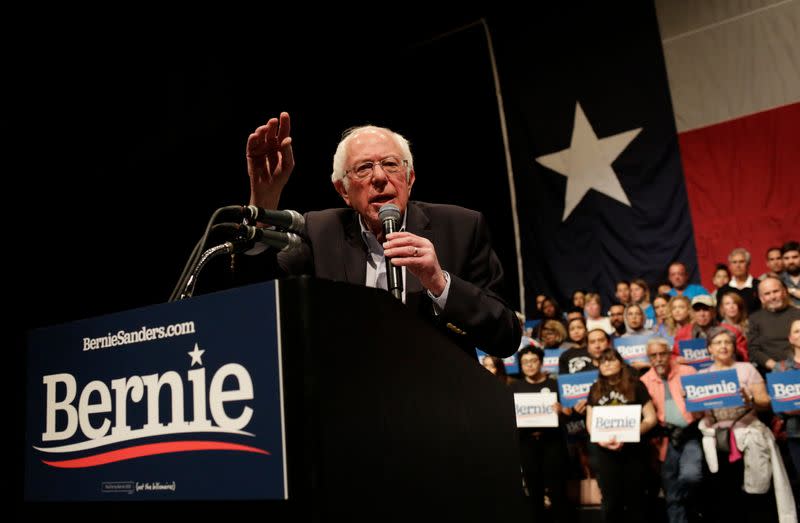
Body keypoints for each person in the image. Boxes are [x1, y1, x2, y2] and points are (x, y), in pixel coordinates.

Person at [239, 113, 520, 358]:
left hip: (439, 402)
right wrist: (264, 201)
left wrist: (439, 283)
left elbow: (506, 336)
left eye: (390, 164)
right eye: (363, 168)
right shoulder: (319, 230)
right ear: (343, 190)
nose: (379, 177)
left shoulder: (461, 227)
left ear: (409, 179)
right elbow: (258, 300)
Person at [696, 327, 793, 521]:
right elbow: (699, 412)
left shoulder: (746, 368)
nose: (723, 346)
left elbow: (765, 402)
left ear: (733, 346)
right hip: (717, 441)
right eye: (718, 343)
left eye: (727, 342)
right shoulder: (702, 375)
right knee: (723, 491)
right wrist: (690, 398)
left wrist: (748, 399)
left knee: (753, 491)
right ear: (709, 349)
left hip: (747, 435)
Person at [586, 348, 657, 522]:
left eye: (611, 360)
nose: (607, 364)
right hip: (605, 452)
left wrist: (630, 433)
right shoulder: (595, 388)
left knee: (636, 500)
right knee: (611, 501)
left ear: (621, 363)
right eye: (603, 361)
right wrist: (602, 441)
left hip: (634, 451)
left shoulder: (636, 385)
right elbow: (590, 422)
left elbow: (651, 418)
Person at [641, 337, 702, 523]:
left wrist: (693, 398)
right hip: (665, 440)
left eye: (662, 353)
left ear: (669, 354)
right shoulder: (644, 381)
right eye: (653, 355)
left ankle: (685, 502)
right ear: (648, 358)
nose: (658, 358)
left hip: (690, 434)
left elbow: (704, 404)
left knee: (691, 476)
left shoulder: (688, 371)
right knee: (670, 489)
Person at [511, 346, 570, 522]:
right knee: (534, 492)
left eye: (533, 361)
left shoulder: (554, 385)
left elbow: (569, 415)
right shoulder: (514, 388)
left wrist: (562, 411)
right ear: (520, 365)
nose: (529, 365)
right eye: (525, 362)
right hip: (527, 444)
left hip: (552, 443)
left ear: (541, 362)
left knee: (558, 491)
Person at [748, 276, 800, 374]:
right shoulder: (755, 318)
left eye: (776, 291)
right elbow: (753, 350)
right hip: (771, 371)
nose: (772, 297)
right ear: (761, 298)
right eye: (767, 294)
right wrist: (777, 367)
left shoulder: (798, 314)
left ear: (784, 292)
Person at [780, 241, 800, 307]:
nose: (791, 261)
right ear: (782, 260)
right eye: (786, 258)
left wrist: (791, 290)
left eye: (795, 257)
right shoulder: (778, 280)